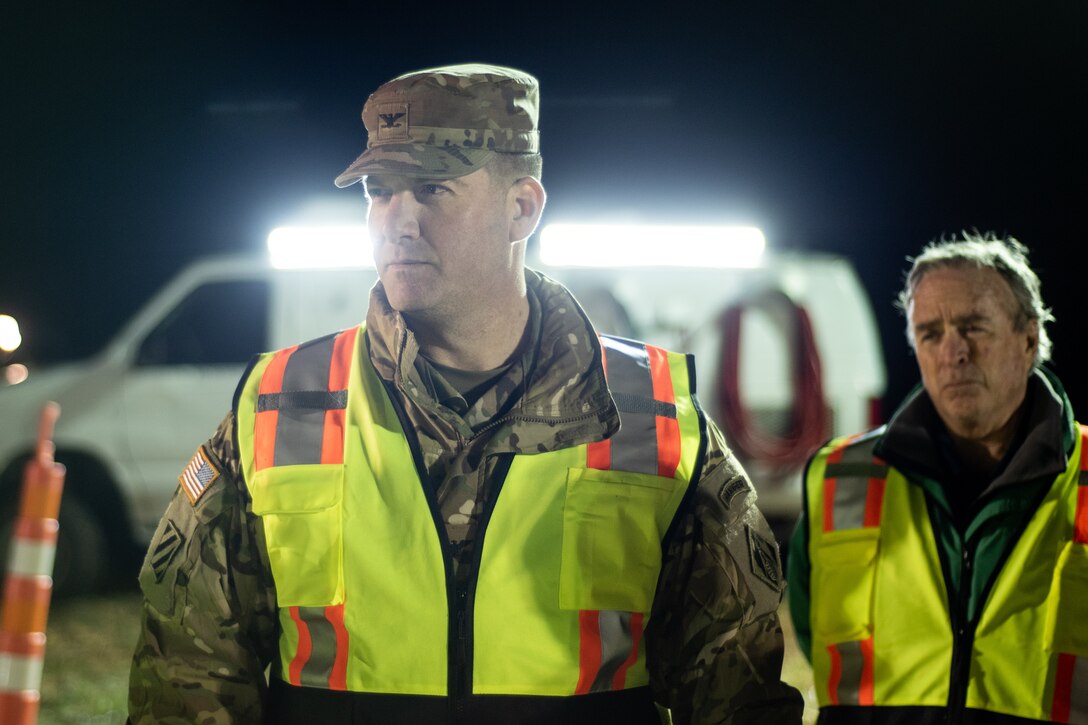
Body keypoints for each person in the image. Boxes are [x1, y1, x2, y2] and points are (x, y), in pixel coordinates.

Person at [128, 63, 803, 724]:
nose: (397, 220)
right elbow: (187, 677)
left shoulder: (654, 416)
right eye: (378, 191)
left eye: (431, 188)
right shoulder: (278, 403)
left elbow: (737, 691)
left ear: (522, 206)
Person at [788, 232, 1087, 723]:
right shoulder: (842, 477)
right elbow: (810, 623)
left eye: (974, 328)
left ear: (1029, 340)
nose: (954, 352)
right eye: (930, 333)